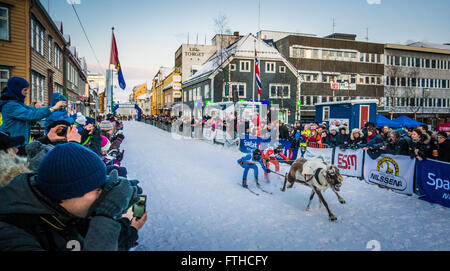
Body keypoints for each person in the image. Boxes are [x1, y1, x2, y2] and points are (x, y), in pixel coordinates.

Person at [0, 142, 147, 251]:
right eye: (98, 189)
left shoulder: (62, 210)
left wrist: (130, 229)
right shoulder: (11, 236)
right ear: (67, 194)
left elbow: (88, 242)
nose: (103, 195)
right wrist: (106, 215)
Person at [0, 77, 66, 152]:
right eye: (24, 90)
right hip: (12, 146)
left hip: (19, 144)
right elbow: (31, 115)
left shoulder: (18, 104)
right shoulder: (11, 105)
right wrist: (53, 108)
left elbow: (34, 110)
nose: (26, 92)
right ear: (16, 90)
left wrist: (53, 107)